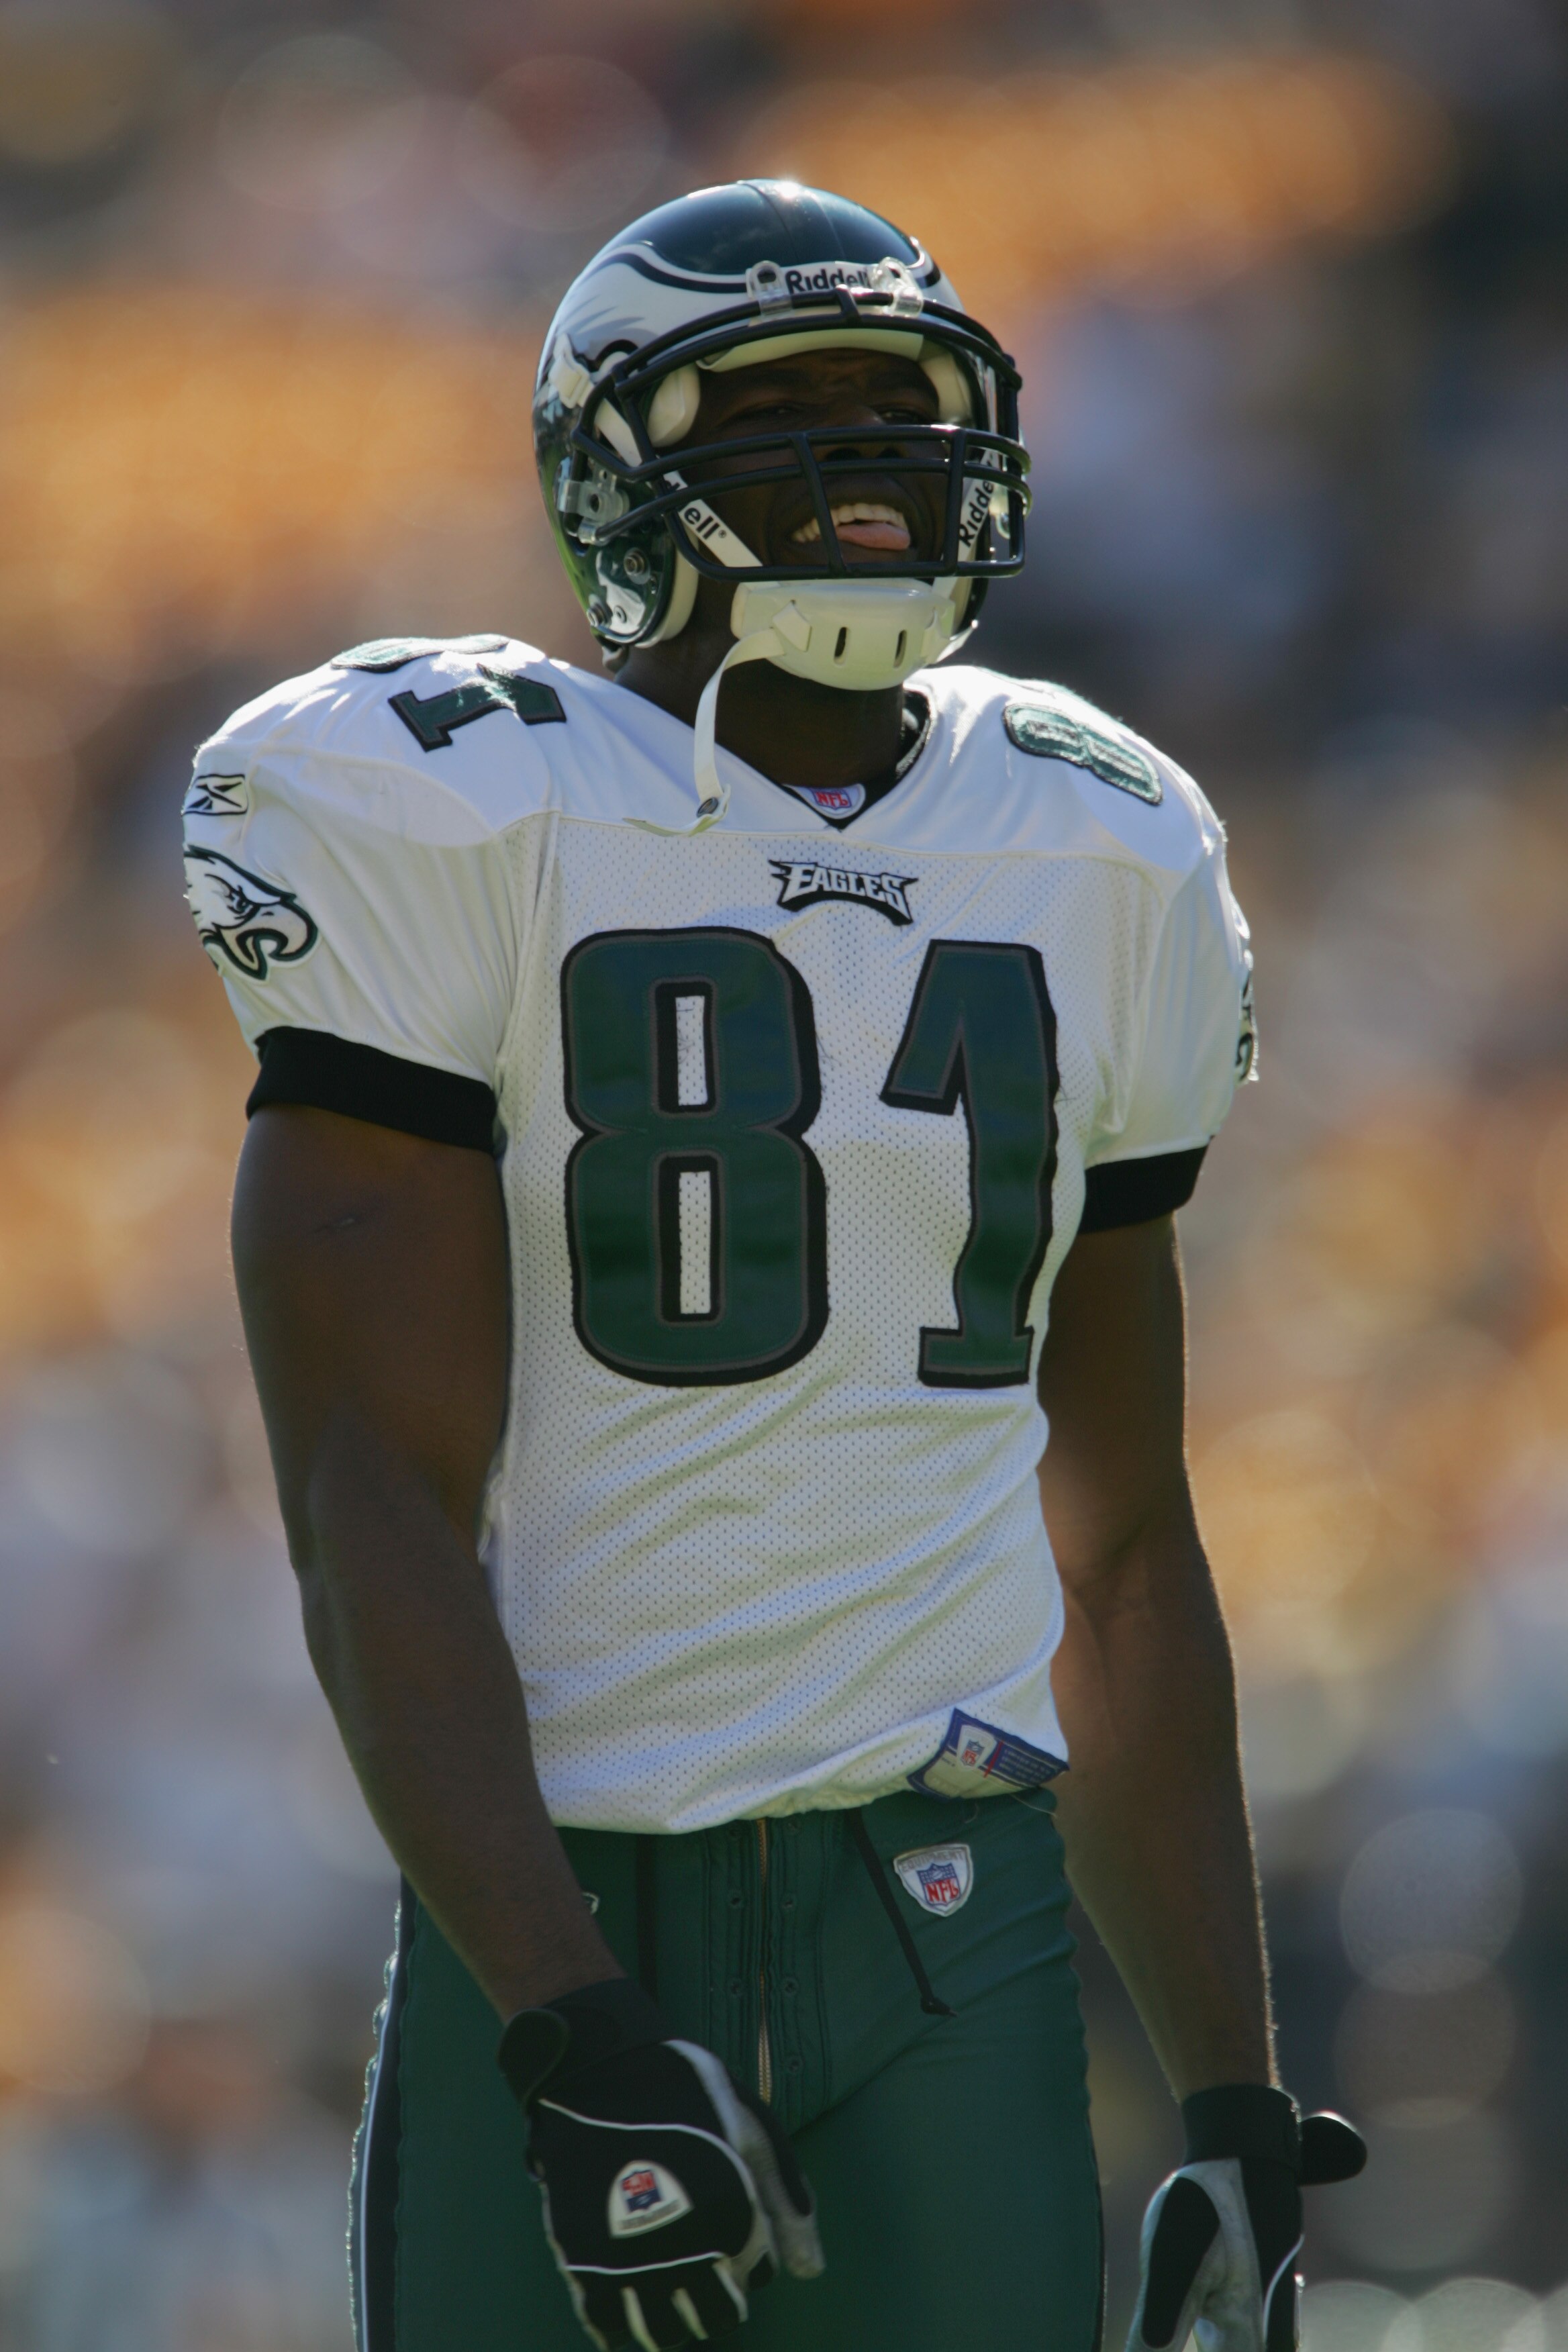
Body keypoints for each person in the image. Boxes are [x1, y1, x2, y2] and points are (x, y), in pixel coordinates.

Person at [183, 180, 1361, 2352]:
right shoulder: (449, 801)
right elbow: (372, 1500)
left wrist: (1229, 2093)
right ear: (618, 475)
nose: (863, 473)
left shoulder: (1099, 842)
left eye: (900, 415)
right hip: (561, 1886)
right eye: (780, 415)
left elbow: (1117, 1544)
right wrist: (565, 2023)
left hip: (951, 1926)